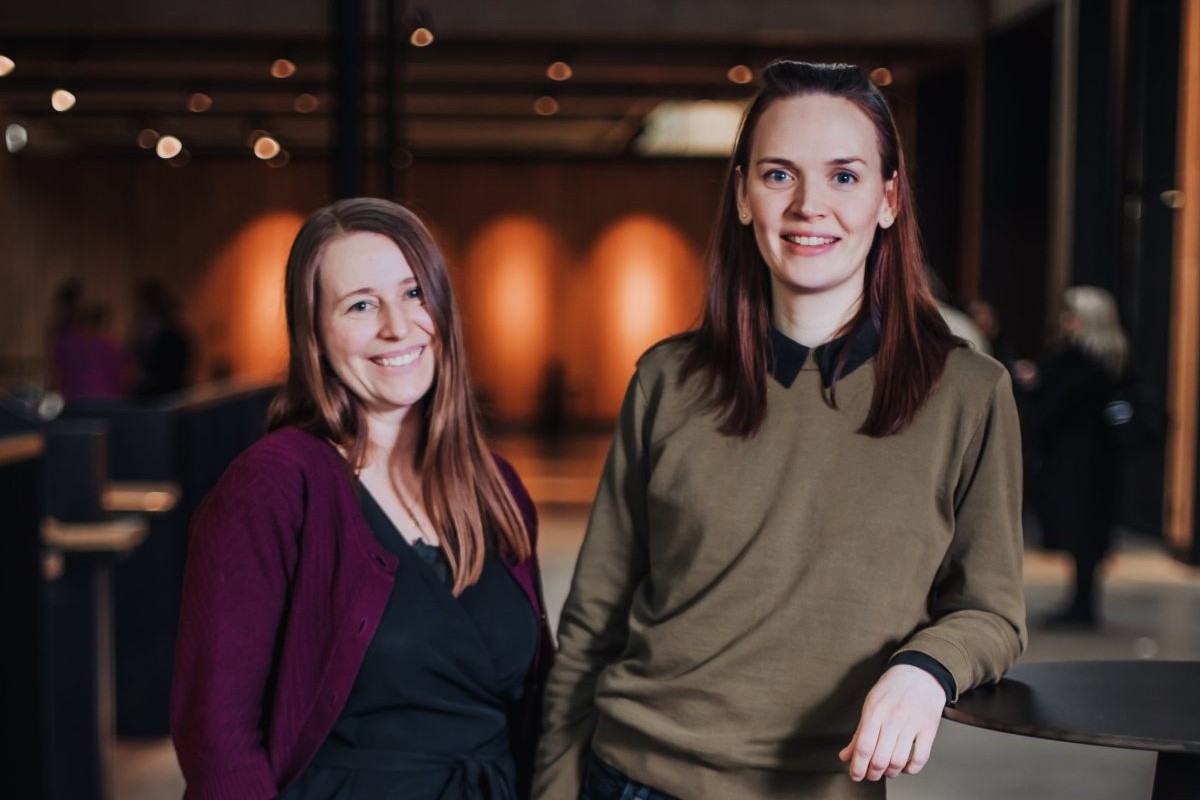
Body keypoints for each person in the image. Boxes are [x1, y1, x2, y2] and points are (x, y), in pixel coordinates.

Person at [534, 61, 1026, 800]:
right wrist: (553, 786)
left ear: (888, 199)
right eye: (777, 175)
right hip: (634, 775)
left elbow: (991, 612)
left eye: (844, 176)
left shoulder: (968, 394)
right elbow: (591, 624)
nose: (808, 206)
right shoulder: (667, 379)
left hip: (822, 787)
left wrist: (926, 670)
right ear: (742, 195)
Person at [171, 198, 552, 799]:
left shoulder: (495, 486)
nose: (397, 327)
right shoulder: (272, 487)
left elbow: (536, 708)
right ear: (315, 336)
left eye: (414, 294)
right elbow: (217, 738)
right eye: (361, 305)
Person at [1022, 285, 1128, 629]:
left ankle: (1081, 604)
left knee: (1080, 531)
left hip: (1076, 461)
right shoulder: (1114, 359)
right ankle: (1082, 601)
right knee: (1087, 535)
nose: (1065, 320)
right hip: (1097, 461)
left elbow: (1053, 406)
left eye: (1071, 315)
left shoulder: (1079, 361)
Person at [130, 279, 192, 397]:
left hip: (164, 393)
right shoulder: (148, 330)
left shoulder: (171, 334)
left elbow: (175, 367)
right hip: (158, 392)